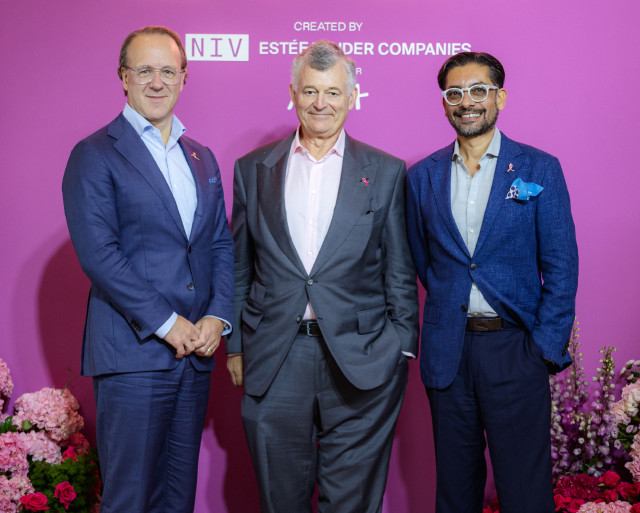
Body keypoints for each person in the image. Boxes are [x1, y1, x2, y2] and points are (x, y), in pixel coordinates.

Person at [227, 40, 418, 513]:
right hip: (275, 357)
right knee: (279, 498)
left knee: (351, 503)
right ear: (292, 93)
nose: (321, 103)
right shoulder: (252, 169)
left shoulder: (388, 171)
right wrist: (235, 345)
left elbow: (399, 267)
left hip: (363, 359)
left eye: (333, 93)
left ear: (352, 96)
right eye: (310, 91)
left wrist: (401, 345)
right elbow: (238, 265)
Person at [62, 26, 233, 513]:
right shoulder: (94, 154)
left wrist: (217, 317)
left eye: (167, 71)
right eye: (144, 71)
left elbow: (219, 242)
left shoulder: (200, 156)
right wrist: (167, 323)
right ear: (123, 78)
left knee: (176, 498)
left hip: (195, 354)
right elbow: (100, 255)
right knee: (130, 498)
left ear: (183, 77)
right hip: (133, 355)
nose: (156, 82)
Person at [406, 51, 579, 513]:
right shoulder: (422, 176)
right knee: (456, 493)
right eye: (455, 93)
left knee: (525, 492)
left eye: (479, 90)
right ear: (444, 103)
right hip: (449, 355)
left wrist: (542, 347)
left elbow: (562, 266)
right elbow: (425, 264)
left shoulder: (539, 169)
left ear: (499, 97)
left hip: (515, 352)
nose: (468, 102)